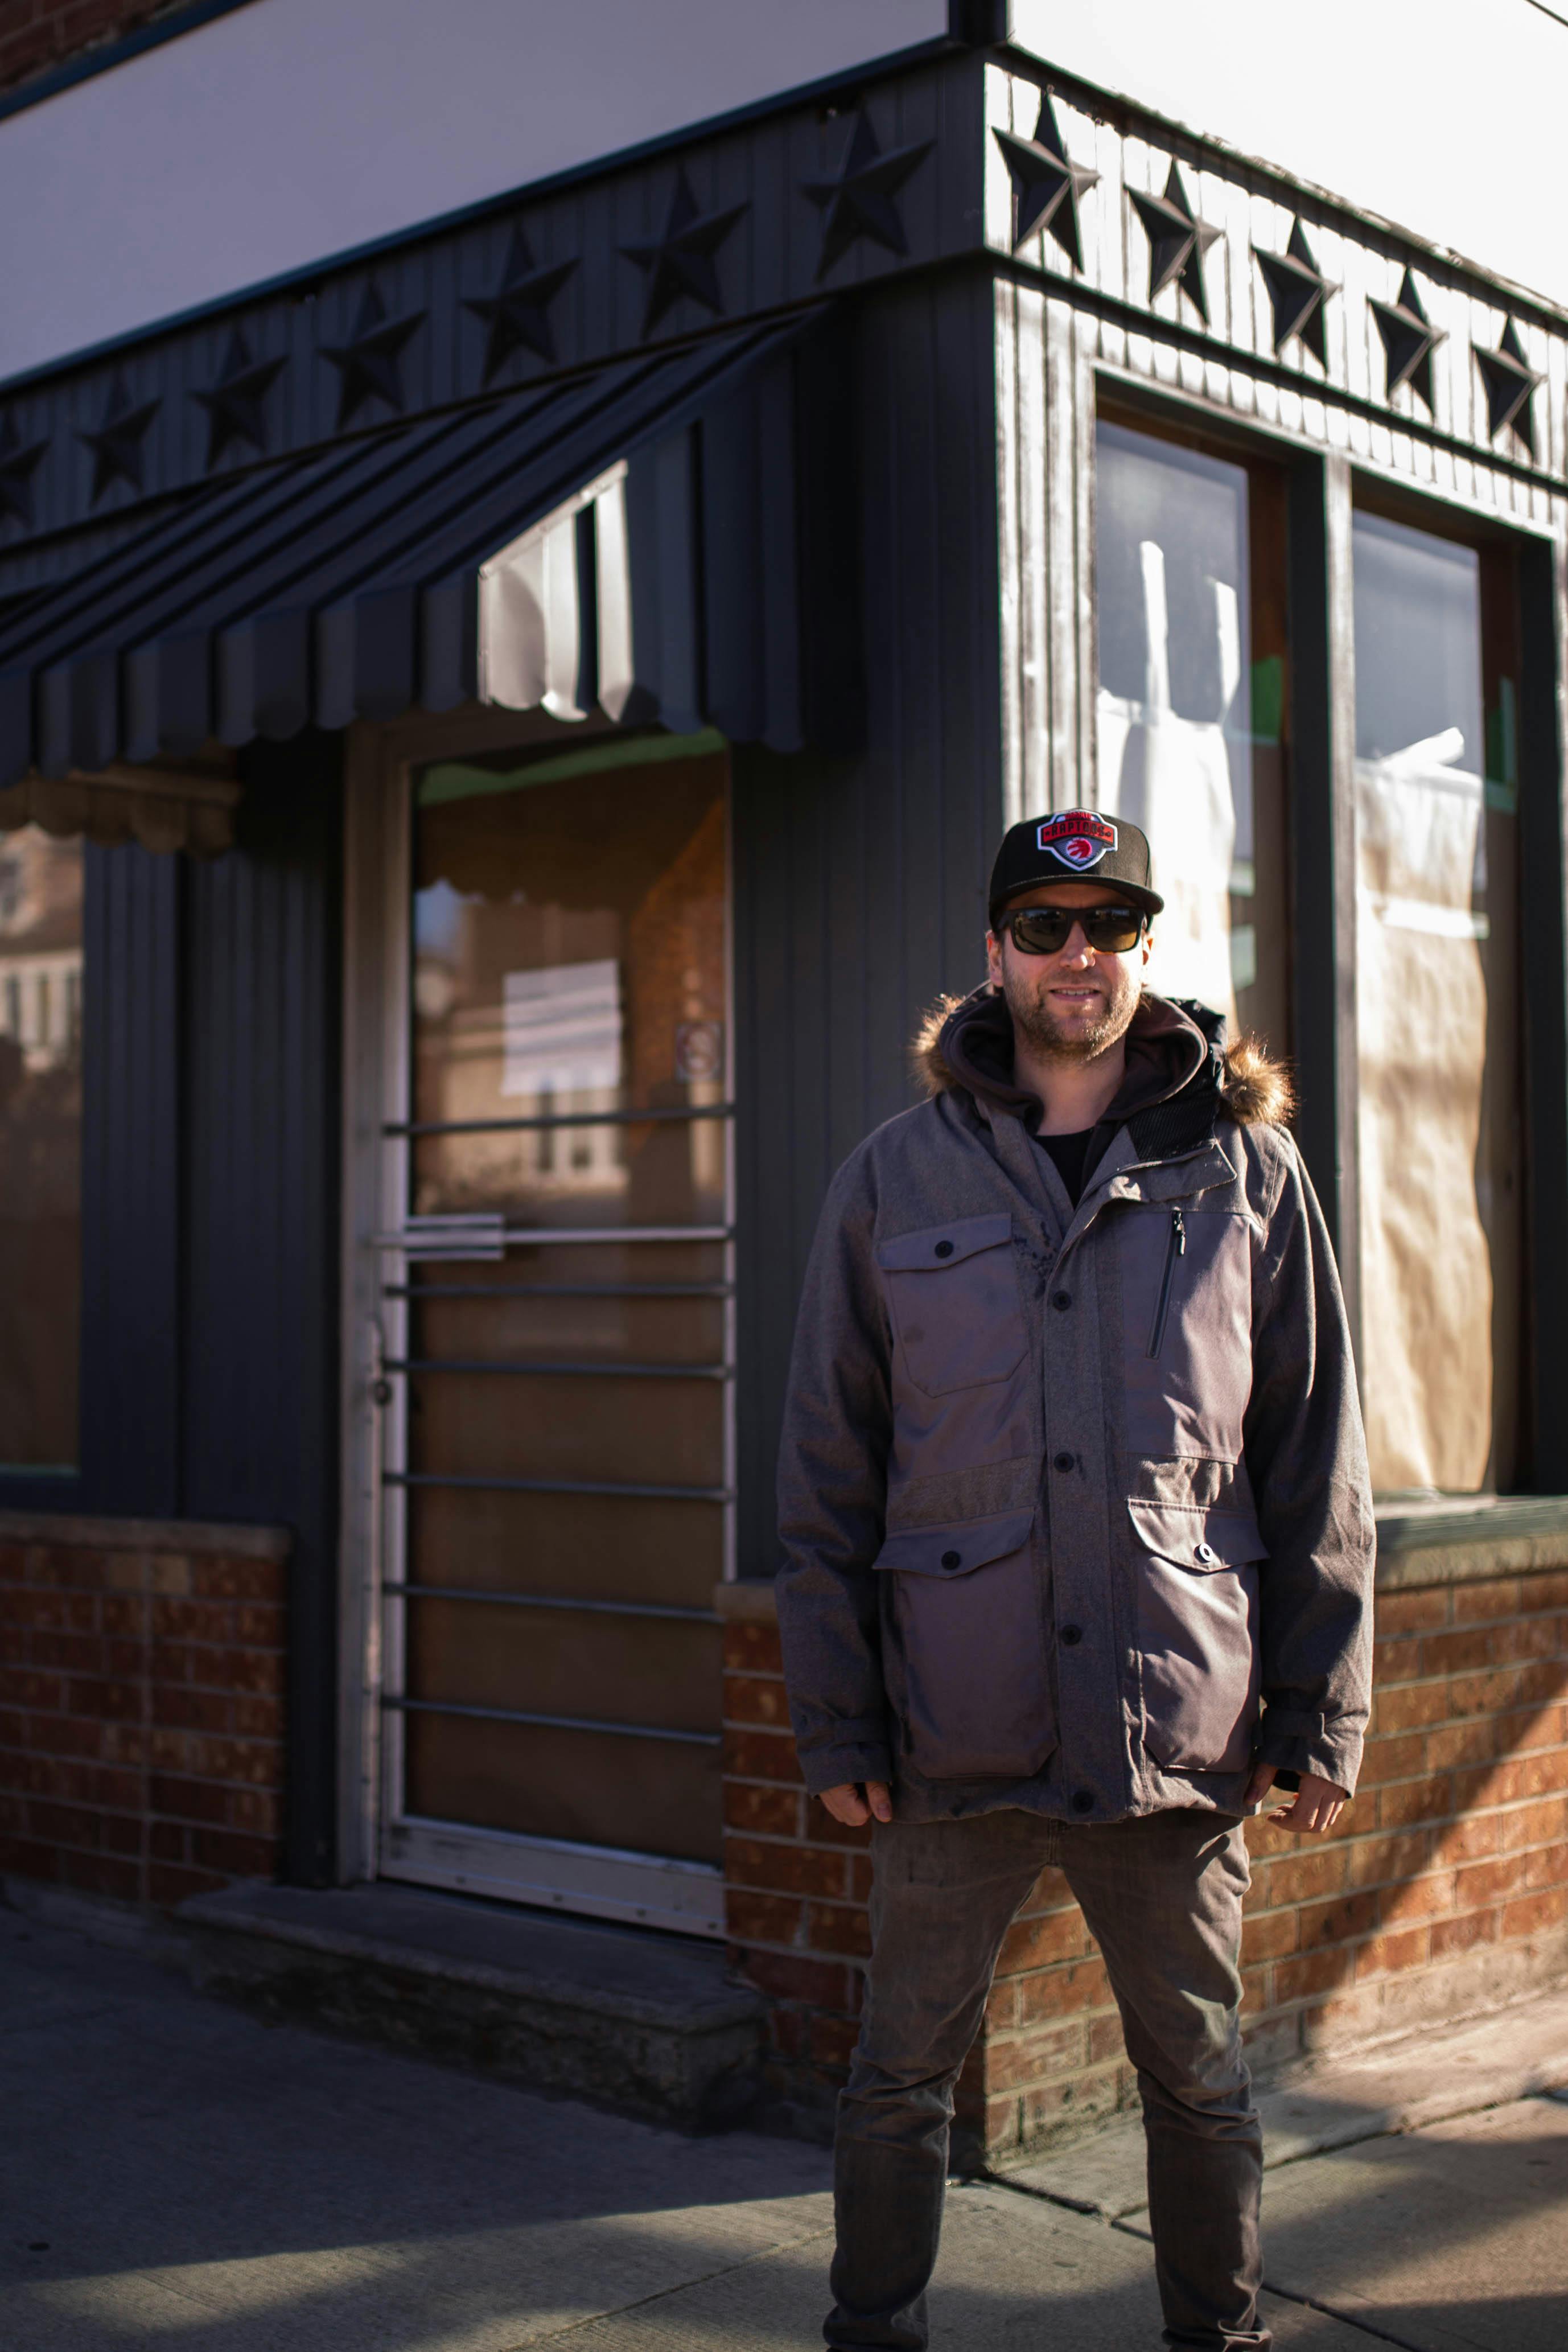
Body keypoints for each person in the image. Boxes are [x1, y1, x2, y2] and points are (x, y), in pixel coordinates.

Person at [775, 808, 1375, 2352]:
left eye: (1105, 926)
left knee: (1197, 2077)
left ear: (1144, 951)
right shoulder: (891, 1180)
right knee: (896, 2078)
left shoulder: (1245, 1172)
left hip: (1173, 1732)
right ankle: (873, 2333)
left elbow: (1317, 1456)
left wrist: (1321, 1705)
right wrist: (837, 1728)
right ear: (992, 954)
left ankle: (1214, 2335)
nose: (1074, 955)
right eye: (1040, 926)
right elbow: (826, 1474)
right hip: (949, 1739)